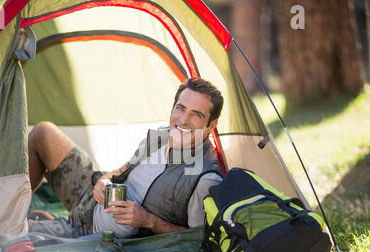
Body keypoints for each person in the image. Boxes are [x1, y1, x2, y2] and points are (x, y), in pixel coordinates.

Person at [27, 78, 224, 240]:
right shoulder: (161, 137)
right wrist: (105, 180)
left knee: (12, 231)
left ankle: (32, 223)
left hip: (93, 234)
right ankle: (15, 209)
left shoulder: (204, 177)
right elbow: (122, 170)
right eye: (180, 108)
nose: (182, 120)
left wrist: (149, 221)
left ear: (211, 125)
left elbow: (198, 239)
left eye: (196, 115)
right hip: (93, 199)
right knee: (43, 133)